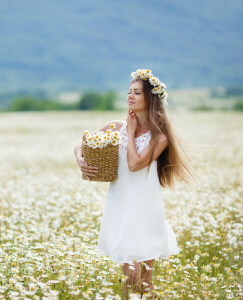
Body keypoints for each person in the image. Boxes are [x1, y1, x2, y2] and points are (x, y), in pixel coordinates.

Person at [74, 69, 196, 298]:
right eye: (129, 91)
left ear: (149, 98)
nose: (130, 96)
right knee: (130, 276)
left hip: (145, 207)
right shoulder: (115, 126)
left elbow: (134, 164)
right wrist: (81, 159)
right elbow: (81, 144)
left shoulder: (160, 136)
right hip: (120, 205)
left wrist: (130, 133)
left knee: (145, 280)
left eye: (137, 92)